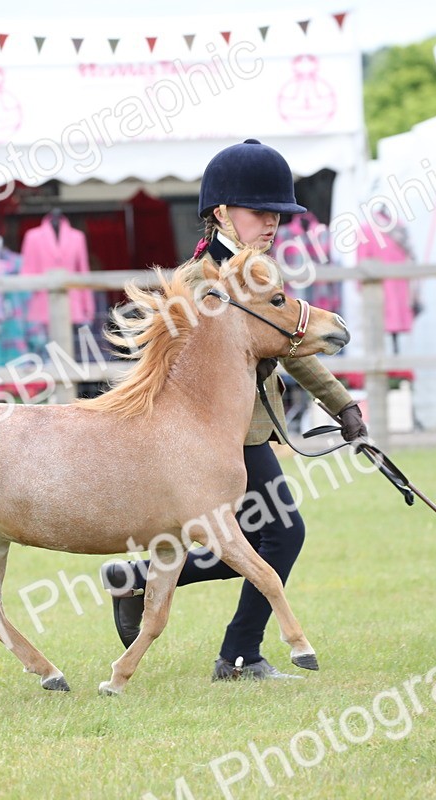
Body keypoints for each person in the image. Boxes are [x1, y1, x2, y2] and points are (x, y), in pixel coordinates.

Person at [98, 139, 368, 681]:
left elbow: (290, 344)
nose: (272, 223)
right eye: (259, 212)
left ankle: (141, 581)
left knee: (259, 539)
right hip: (212, 437)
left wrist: (341, 404)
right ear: (221, 213)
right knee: (281, 536)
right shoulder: (199, 281)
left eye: (277, 214)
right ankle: (239, 655)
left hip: (251, 430)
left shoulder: (260, 273)